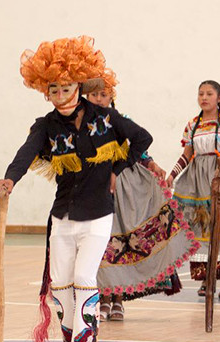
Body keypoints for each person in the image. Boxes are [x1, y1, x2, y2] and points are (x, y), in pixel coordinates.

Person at [0, 36, 152, 342]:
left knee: (83, 277)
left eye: (66, 89)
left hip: (98, 215)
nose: (61, 97)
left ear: (79, 84)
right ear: (45, 91)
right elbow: (25, 154)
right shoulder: (46, 125)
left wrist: (117, 169)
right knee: (61, 284)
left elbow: (142, 139)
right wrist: (9, 180)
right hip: (62, 217)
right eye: (54, 91)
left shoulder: (106, 118)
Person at [83, 70, 197, 322]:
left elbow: (139, 144)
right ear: (86, 96)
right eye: (94, 94)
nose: (99, 99)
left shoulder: (120, 119)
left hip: (125, 183)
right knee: (103, 241)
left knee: (124, 238)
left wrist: (151, 163)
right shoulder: (83, 126)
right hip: (95, 184)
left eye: (104, 94)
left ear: (111, 96)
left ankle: (118, 299)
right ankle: (102, 297)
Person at [169, 80, 220, 298]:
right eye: (200, 94)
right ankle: (207, 278)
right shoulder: (192, 125)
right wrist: (171, 175)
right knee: (203, 229)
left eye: (209, 94)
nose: (204, 98)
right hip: (198, 183)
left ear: (219, 97)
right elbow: (188, 154)